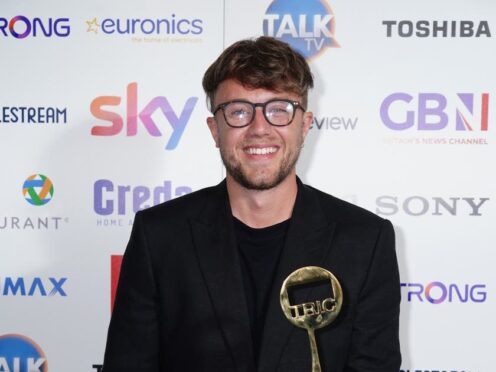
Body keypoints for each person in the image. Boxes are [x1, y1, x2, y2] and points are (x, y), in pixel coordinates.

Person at [103, 36, 401, 372]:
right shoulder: (158, 236)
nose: (259, 129)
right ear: (215, 130)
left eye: (278, 110)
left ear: (304, 126)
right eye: (239, 112)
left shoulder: (365, 240)